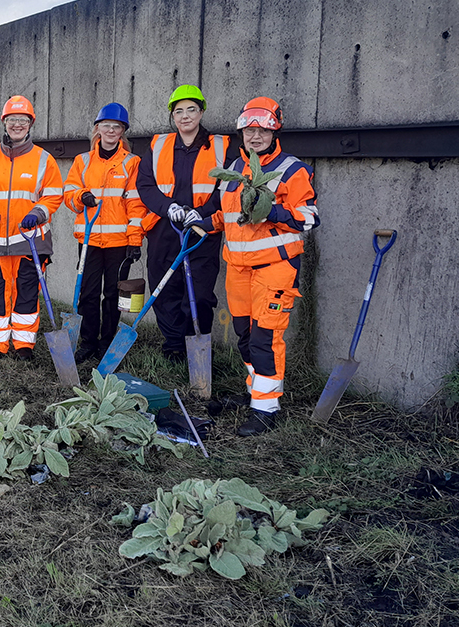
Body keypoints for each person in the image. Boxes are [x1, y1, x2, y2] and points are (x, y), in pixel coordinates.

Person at [205, 96, 319, 435]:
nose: (255, 137)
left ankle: (266, 408)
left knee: (266, 339)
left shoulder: (292, 169)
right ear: (241, 132)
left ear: (274, 131)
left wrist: (272, 212)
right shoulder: (233, 170)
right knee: (245, 335)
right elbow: (225, 216)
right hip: (238, 268)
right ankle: (255, 391)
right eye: (249, 130)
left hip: (275, 268)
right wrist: (200, 220)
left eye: (262, 130)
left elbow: (309, 218)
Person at [136, 84, 230, 363]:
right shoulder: (158, 145)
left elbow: (228, 187)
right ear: (172, 116)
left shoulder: (222, 146)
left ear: (201, 112)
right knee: (165, 287)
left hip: (201, 229)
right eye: (179, 111)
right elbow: (145, 185)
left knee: (199, 292)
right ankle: (174, 344)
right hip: (165, 227)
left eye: (191, 109)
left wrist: (202, 213)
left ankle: (196, 343)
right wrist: (169, 207)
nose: (185, 116)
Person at [0, 95, 63, 361]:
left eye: (22, 120)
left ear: (30, 124)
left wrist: (37, 212)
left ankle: (23, 345)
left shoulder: (44, 159)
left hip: (29, 238)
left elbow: (54, 195)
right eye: (12, 120)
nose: (17, 124)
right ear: (4, 122)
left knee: (26, 293)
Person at [62, 103, 145, 363]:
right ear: (97, 128)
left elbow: (136, 204)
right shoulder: (82, 161)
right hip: (89, 240)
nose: (111, 130)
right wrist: (81, 196)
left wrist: (135, 240)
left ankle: (107, 342)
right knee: (88, 292)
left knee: (113, 294)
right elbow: (69, 194)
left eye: (116, 126)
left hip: (119, 242)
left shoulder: (132, 163)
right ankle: (87, 341)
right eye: (106, 125)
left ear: (123, 131)